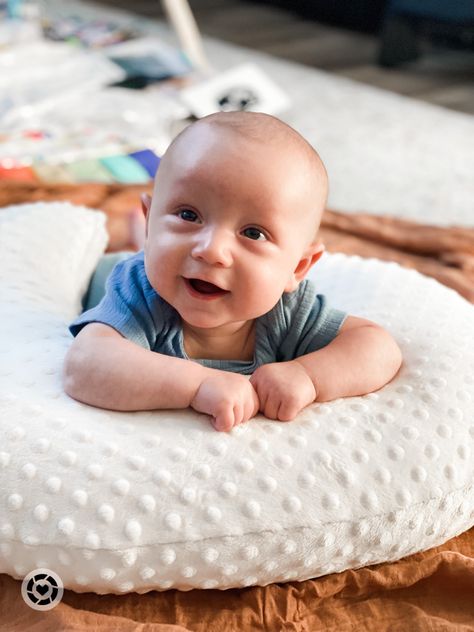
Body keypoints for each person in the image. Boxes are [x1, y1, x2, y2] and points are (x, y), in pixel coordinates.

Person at [63, 111, 402, 432]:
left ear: (296, 269)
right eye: (188, 215)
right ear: (152, 223)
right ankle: (126, 237)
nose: (211, 250)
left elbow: (377, 348)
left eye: (253, 233)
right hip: (109, 269)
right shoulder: (138, 289)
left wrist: (308, 377)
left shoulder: (288, 311)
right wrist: (198, 384)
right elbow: (85, 365)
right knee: (108, 254)